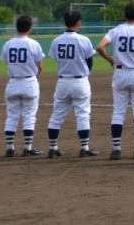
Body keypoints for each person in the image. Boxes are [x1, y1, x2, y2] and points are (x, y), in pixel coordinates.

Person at [97, 2, 134, 160]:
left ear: (124, 15)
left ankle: (116, 149)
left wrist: (110, 59)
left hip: (120, 73)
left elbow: (100, 46)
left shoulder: (115, 31)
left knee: (118, 112)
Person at [46, 11, 99, 158]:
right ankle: (84, 147)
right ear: (78, 23)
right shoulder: (84, 40)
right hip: (80, 81)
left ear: (64, 23)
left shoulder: (56, 41)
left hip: (62, 81)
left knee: (56, 115)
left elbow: (56, 59)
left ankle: (53, 147)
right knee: (82, 115)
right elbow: (90, 62)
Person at [0, 15, 45, 157]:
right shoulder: (34, 44)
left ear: (16, 27)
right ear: (30, 28)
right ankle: (27, 147)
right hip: (29, 82)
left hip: (13, 82)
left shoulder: (8, 44)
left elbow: (7, 63)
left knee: (12, 116)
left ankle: (9, 148)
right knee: (29, 116)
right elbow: (40, 67)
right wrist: (33, 79)